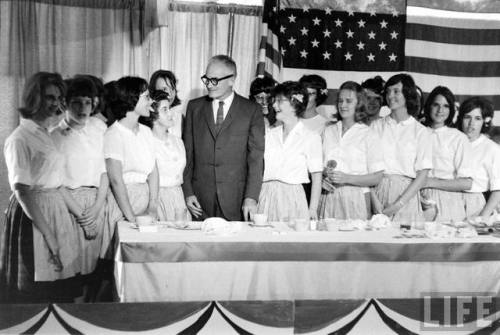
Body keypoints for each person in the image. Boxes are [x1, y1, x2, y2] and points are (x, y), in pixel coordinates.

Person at [1, 72, 82, 303]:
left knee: (61, 291)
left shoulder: (46, 133)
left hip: (54, 210)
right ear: (34, 98)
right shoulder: (20, 138)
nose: (55, 102)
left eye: (58, 97)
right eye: (49, 97)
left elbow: (54, 179)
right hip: (33, 216)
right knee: (36, 293)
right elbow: (22, 191)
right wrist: (49, 235)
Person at [183, 55, 265, 221]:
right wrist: (188, 191)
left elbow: (256, 159)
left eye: (214, 80)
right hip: (200, 202)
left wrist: (251, 197)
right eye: (206, 79)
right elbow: (187, 154)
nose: (208, 85)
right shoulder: (194, 107)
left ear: (232, 80)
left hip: (236, 200)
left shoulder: (252, 110)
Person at [50, 76, 109, 300]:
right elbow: (56, 183)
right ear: (64, 103)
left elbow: (105, 171)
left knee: (97, 270)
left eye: (87, 101)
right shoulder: (54, 134)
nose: (83, 108)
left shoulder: (99, 127)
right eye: (76, 102)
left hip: (97, 203)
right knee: (73, 271)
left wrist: (97, 206)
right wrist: (83, 217)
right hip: (70, 207)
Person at [103, 76, 158, 246]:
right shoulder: (113, 134)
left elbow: (154, 172)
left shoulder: (147, 132)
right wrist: (132, 218)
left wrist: (153, 207)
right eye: (146, 97)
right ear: (131, 99)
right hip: (123, 205)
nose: (151, 102)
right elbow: (116, 180)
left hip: (147, 202)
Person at [370, 74, 433, 222]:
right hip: (377, 191)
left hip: (406, 195)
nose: (390, 96)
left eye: (396, 91)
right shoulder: (376, 127)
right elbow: (366, 167)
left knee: (404, 240)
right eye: (388, 91)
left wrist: (399, 204)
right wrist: (373, 199)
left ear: (408, 93)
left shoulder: (421, 131)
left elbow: (422, 175)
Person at [257, 81, 322, 221]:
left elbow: (317, 175)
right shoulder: (269, 134)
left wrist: (312, 209)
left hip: (293, 198)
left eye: (279, 101)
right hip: (266, 195)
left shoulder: (311, 137)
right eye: (274, 101)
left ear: (294, 103)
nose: (274, 105)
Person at [320, 81, 384, 220]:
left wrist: (347, 178)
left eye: (348, 101)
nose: (343, 105)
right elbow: (318, 168)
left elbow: (377, 177)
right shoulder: (328, 131)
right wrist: (323, 178)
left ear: (359, 103)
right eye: (340, 101)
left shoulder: (369, 134)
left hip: (356, 197)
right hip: (328, 196)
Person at [419, 86, 472, 222]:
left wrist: (430, 182)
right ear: (429, 106)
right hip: (417, 198)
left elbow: (466, 183)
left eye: (445, 106)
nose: (440, 110)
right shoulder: (417, 133)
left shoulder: (458, 138)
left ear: (451, 110)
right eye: (436, 104)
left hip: (448, 199)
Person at [140, 90, 190, 221]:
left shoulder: (178, 141)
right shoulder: (146, 141)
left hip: (178, 199)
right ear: (153, 114)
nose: (171, 113)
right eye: (165, 109)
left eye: (170, 108)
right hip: (156, 200)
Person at [457, 97, 500, 218]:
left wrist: (482, 218)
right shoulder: (454, 142)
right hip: (450, 200)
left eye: (477, 118)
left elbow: (498, 190)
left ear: (484, 122)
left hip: (476, 205)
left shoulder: (492, 149)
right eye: (467, 117)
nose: (471, 123)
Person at [149, 70, 183, 138]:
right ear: (153, 90)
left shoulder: (180, 117)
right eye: (164, 89)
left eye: (172, 89)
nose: (170, 94)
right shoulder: (146, 117)